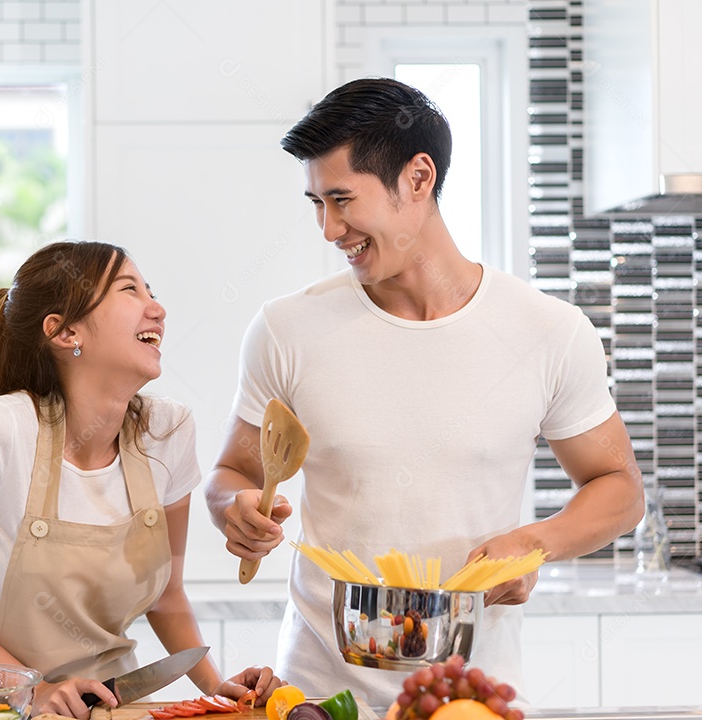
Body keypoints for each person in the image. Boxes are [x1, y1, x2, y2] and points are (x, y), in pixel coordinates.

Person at [204, 78, 644, 705]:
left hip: (470, 700)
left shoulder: (547, 330)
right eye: (315, 204)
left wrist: (534, 543)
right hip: (318, 701)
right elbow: (231, 472)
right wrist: (234, 508)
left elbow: (621, 491)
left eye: (341, 199)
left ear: (417, 177)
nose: (328, 229)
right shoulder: (286, 329)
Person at [0, 240, 284, 719]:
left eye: (150, 291)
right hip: (4, 705)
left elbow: (166, 595)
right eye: (129, 290)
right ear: (65, 331)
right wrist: (32, 690)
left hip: (118, 705)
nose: (157, 308)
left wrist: (216, 687)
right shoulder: (1, 429)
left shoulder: (167, 432)